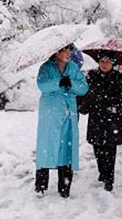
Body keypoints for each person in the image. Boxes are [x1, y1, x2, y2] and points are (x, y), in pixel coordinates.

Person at [34, 44, 89, 198]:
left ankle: (64, 187)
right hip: (50, 114)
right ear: (56, 51)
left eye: (69, 50)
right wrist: (58, 82)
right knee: (47, 147)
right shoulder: (46, 67)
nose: (68, 53)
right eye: (65, 50)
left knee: (66, 149)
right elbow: (41, 85)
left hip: (68, 113)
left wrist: (71, 83)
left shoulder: (73, 68)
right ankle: (41, 185)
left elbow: (84, 87)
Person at [79, 54, 122, 192]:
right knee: (97, 147)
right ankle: (102, 172)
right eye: (102, 61)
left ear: (112, 63)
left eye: (107, 61)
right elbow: (83, 93)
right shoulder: (92, 75)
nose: (104, 64)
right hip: (96, 116)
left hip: (112, 117)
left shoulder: (118, 77)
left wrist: (112, 98)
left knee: (110, 148)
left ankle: (109, 177)